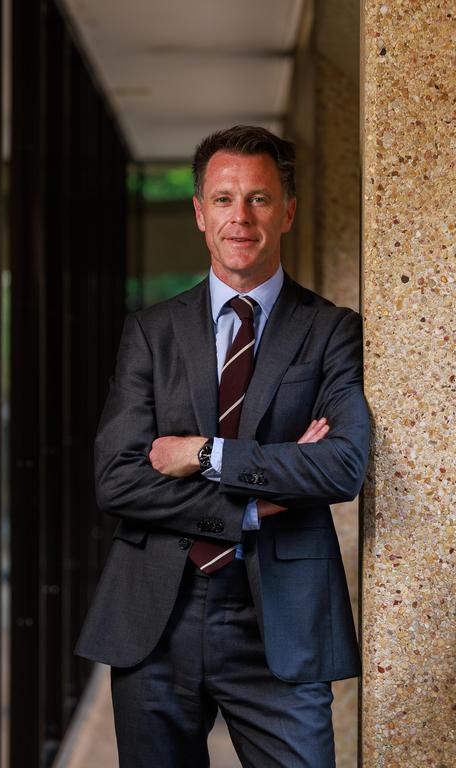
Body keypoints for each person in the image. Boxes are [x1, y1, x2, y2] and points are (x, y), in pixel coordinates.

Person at [75, 125, 369, 767]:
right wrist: (247, 508)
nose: (241, 217)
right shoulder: (151, 332)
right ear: (200, 213)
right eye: (225, 199)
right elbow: (118, 479)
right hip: (157, 615)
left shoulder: (332, 333)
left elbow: (342, 464)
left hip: (282, 622)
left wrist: (203, 454)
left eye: (260, 199)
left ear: (287, 211)